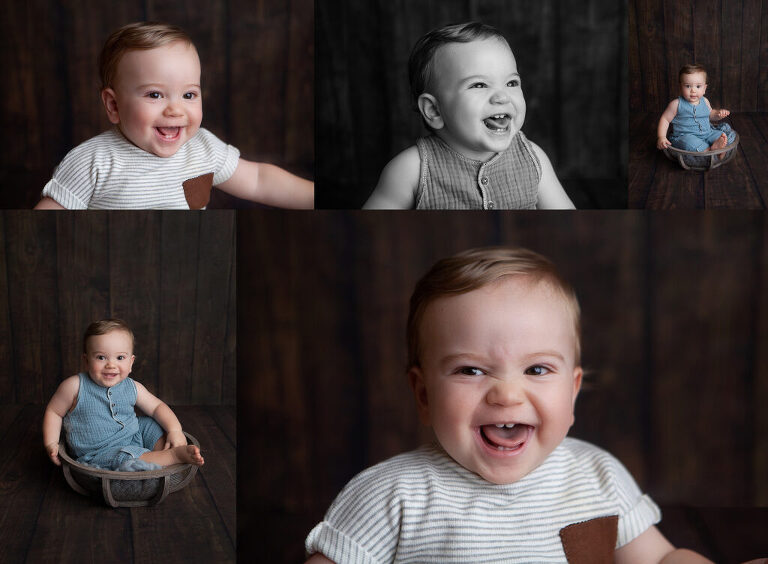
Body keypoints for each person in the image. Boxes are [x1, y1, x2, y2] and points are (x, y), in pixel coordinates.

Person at [305, 247, 711, 563]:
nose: (506, 394)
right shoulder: (391, 497)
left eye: (536, 369)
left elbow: (659, 558)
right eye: (471, 370)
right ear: (424, 395)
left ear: (572, 392)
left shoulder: (597, 477)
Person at [34, 22, 313, 210]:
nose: (175, 110)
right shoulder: (91, 163)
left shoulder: (203, 149)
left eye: (189, 95)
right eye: (155, 95)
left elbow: (258, 180)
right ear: (114, 105)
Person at [363, 22, 574, 210]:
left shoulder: (533, 158)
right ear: (434, 110)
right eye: (479, 85)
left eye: (511, 83)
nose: (502, 97)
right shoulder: (411, 170)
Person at [43, 319, 204, 470]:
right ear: (86, 361)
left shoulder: (132, 387)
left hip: (132, 435)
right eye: (101, 357)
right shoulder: (74, 386)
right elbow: (54, 412)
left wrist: (174, 430)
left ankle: (165, 450)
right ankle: (172, 456)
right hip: (100, 453)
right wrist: (51, 443)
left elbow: (157, 407)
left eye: (120, 357)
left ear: (131, 362)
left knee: (150, 424)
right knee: (124, 459)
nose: (111, 365)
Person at [657, 64, 732, 153]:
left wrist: (718, 114)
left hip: (707, 134)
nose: (693, 90)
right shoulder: (676, 104)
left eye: (698, 86)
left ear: (704, 88)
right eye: (688, 86)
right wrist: (661, 137)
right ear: (680, 87)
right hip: (685, 136)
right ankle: (710, 151)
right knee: (689, 143)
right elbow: (665, 119)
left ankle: (719, 151)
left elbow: (710, 115)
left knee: (722, 136)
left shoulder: (705, 101)